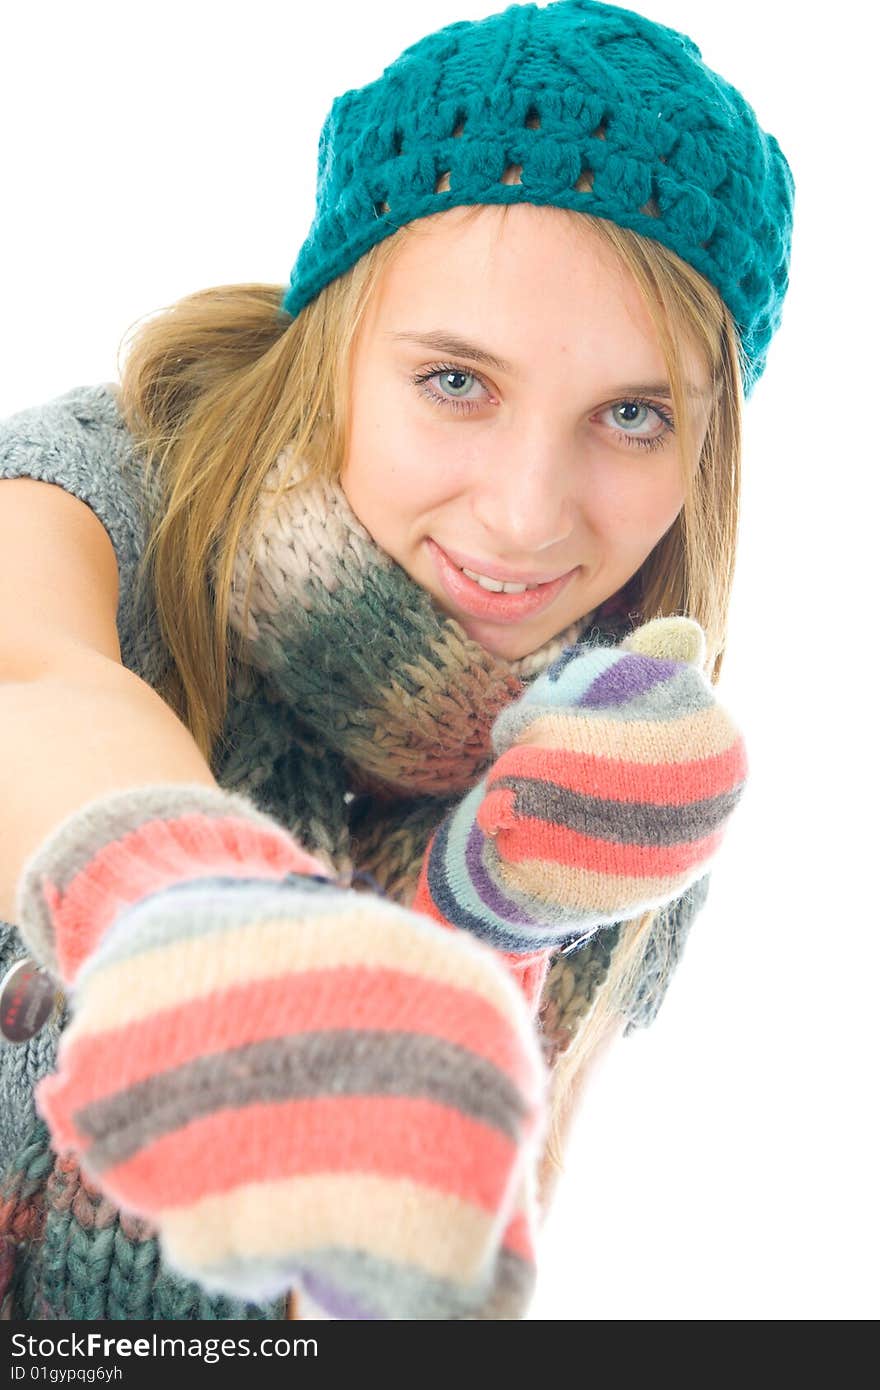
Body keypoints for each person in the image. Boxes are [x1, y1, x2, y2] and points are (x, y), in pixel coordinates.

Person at [0, 0, 794, 1321]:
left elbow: (419, 1273)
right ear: (340, 341)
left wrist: (488, 920)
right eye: (457, 382)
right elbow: (27, 677)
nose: (528, 511)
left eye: (633, 414)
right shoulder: (110, 490)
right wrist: (219, 932)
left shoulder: (618, 783)